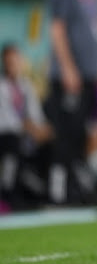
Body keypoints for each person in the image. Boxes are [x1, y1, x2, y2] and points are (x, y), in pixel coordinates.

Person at [44, 0, 97, 205]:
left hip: (86, 75)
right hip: (69, 77)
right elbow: (57, 30)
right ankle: (58, 190)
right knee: (65, 135)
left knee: (79, 134)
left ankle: (76, 187)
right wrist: (68, 69)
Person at [0, 44, 54, 210]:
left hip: (27, 135)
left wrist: (42, 128)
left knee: (51, 143)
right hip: (7, 136)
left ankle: (47, 193)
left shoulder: (26, 86)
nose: (13, 65)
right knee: (13, 144)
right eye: (9, 62)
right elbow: (7, 120)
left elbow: (36, 115)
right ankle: (8, 194)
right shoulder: (2, 86)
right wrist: (28, 127)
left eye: (16, 61)